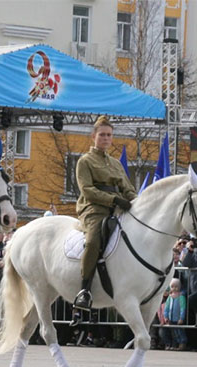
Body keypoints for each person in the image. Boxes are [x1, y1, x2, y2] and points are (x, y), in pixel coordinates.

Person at [72, 116, 137, 320]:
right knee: (93, 241)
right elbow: (88, 190)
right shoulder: (85, 161)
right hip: (93, 209)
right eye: (102, 135)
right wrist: (114, 200)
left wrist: (137, 203)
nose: (106, 138)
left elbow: (128, 189)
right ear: (93, 137)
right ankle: (84, 290)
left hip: (116, 209)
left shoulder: (116, 164)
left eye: (109, 135)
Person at [163, 278, 187, 351]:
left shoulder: (181, 297)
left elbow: (183, 308)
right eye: (172, 287)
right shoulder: (169, 297)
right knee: (174, 332)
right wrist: (166, 317)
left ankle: (182, 343)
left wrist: (181, 318)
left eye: (176, 287)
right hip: (171, 318)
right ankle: (175, 344)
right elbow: (166, 308)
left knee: (180, 331)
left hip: (178, 318)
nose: (174, 288)